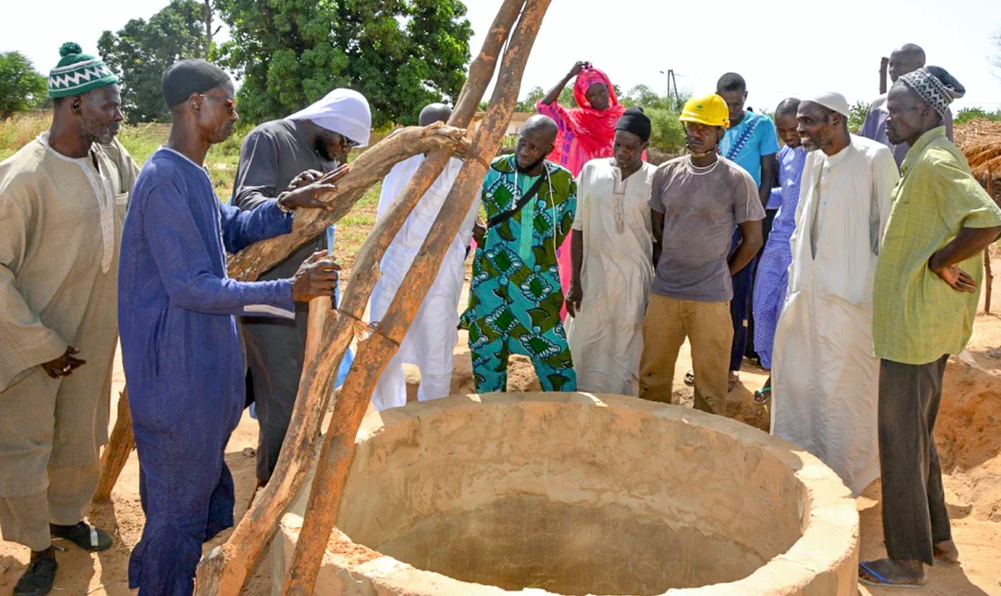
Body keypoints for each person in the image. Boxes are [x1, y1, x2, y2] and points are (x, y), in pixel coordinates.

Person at [118, 59, 345, 596]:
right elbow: (193, 287)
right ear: (196, 104)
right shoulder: (164, 181)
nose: (234, 114)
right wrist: (288, 290)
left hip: (200, 376)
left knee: (186, 501)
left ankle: (160, 572)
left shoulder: (191, 174)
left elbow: (235, 228)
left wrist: (287, 202)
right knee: (178, 511)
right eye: (228, 103)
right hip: (176, 380)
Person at [0, 42, 136, 596]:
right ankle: (36, 548)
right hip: (33, 342)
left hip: (92, 337)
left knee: (81, 435)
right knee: (25, 445)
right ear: (76, 104)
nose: (119, 113)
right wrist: (42, 344)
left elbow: (149, 197)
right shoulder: (23, 177)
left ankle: (66, 518)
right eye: (110, 103)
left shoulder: (112, 159)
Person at [861, 66, 1000, 589]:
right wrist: (938, 258)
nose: (888, 117)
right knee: (914, 434)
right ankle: (939, 537)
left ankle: (906, 560)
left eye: (896, 110)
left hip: (914, 331)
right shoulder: (922, 157)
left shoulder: (937, 160)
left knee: (898, 440)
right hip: (915, 325)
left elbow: (988, 220)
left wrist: (941, 257)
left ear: (927, 113)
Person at [231, 87, 368, 490]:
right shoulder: (270, 138)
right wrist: (289, 196)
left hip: (312, 294)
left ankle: (283, 473)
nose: (343, 151)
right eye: (344, 140)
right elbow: (246, 202)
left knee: (291, 391)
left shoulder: (325, 157)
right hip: (272, 293)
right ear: (331, 122)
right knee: (282, 396)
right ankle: (270, 490)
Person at [770, 92, 899, 497]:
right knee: (803, 381)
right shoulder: (813, 161)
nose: (801, 129)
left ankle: (849, 480)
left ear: (836, 120)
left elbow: (890, 232)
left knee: (848, 390)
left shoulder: (875, 157)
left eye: (809, 122)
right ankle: (808, 472)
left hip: (854, 299)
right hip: (808, 294)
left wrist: (879, 294)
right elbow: (801, 225)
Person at [639, 94, 764, 416]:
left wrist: (722, 271)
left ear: (721, 131)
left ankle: (704, 456)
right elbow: (658, 229)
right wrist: (667, 266)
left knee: (710, 388)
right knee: (652, 379)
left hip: (711, 297)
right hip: (665, 292)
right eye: (691, 126)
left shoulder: (737, 179)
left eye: (705, 128)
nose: (696, 133)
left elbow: (752, 240)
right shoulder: (665, 174)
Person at [368, 103, 478, 410]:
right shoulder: (400, 164)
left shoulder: (463, 170)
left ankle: (434, 416)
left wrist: (453, 256)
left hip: (438, 269)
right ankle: (386, 414)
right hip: (394, 265)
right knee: (384, 342)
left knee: (436, 344)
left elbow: (464, 226)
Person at [459, 115, 577, 393]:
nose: (524, 151)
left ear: (549, 149)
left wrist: (532, 252)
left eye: (534, 147)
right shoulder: (492, 171)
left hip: (537, 284)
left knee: (553, 351)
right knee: (486, 348)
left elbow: (562, 229)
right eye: (522, 143)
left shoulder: (563, 183)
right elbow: (464, 202)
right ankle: (491, 414)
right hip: (491, 281)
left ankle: (565, 417)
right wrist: (478, 231)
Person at [566, 107, 656, 395]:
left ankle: (623, 406)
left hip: (634, 278)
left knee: (626, 342)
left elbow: (659, 237)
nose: (622, 152)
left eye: (631, 147)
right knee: (586, 341)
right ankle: (579, 401)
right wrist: (575, 281)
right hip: (593, 274)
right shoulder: (592, 170)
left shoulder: (656, 178)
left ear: (644, 147)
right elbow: (578, 227)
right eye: (617, 145)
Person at [698, 73, 778, 391]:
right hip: (711, 224)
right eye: (726, 103)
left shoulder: (762, 126)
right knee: (705, 296)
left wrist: (752, 222)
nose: (731, 110)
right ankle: (705, 365)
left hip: (743, 224)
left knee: (735, 294)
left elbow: (768, 176)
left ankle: (730, 369)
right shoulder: (710, 124)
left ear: (745, 97)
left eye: (737, 103)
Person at [536, 62, 626, 314]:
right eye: (592, 94)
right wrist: (568, 74)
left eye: (601, 91)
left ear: (609, 89)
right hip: (582, 202)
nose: (598, 98)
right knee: (576, 257)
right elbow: (544, 106)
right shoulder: (576, 121)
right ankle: (573, 317)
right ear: (582, 97)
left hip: (617, 201)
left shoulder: (624, 118)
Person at [750, 98, 806, 403]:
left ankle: (781, 380)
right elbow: (784, 195)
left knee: (791, 313)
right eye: (782, 130)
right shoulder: (783, 156)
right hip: (778, 239)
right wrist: (751, 196)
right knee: (763, 306)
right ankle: (772, 367)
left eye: (793, 128)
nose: (788, 135)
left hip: (805, 244)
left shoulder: (821, 157)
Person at [859, 44, 955, 170]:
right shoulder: (877, 105)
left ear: (919, 66)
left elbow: (943, 148)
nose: (893, 69)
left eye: (899, 64)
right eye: (891, 65)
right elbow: (863, 145)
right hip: (878, 180)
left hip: (916, 178)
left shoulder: (936, 108)